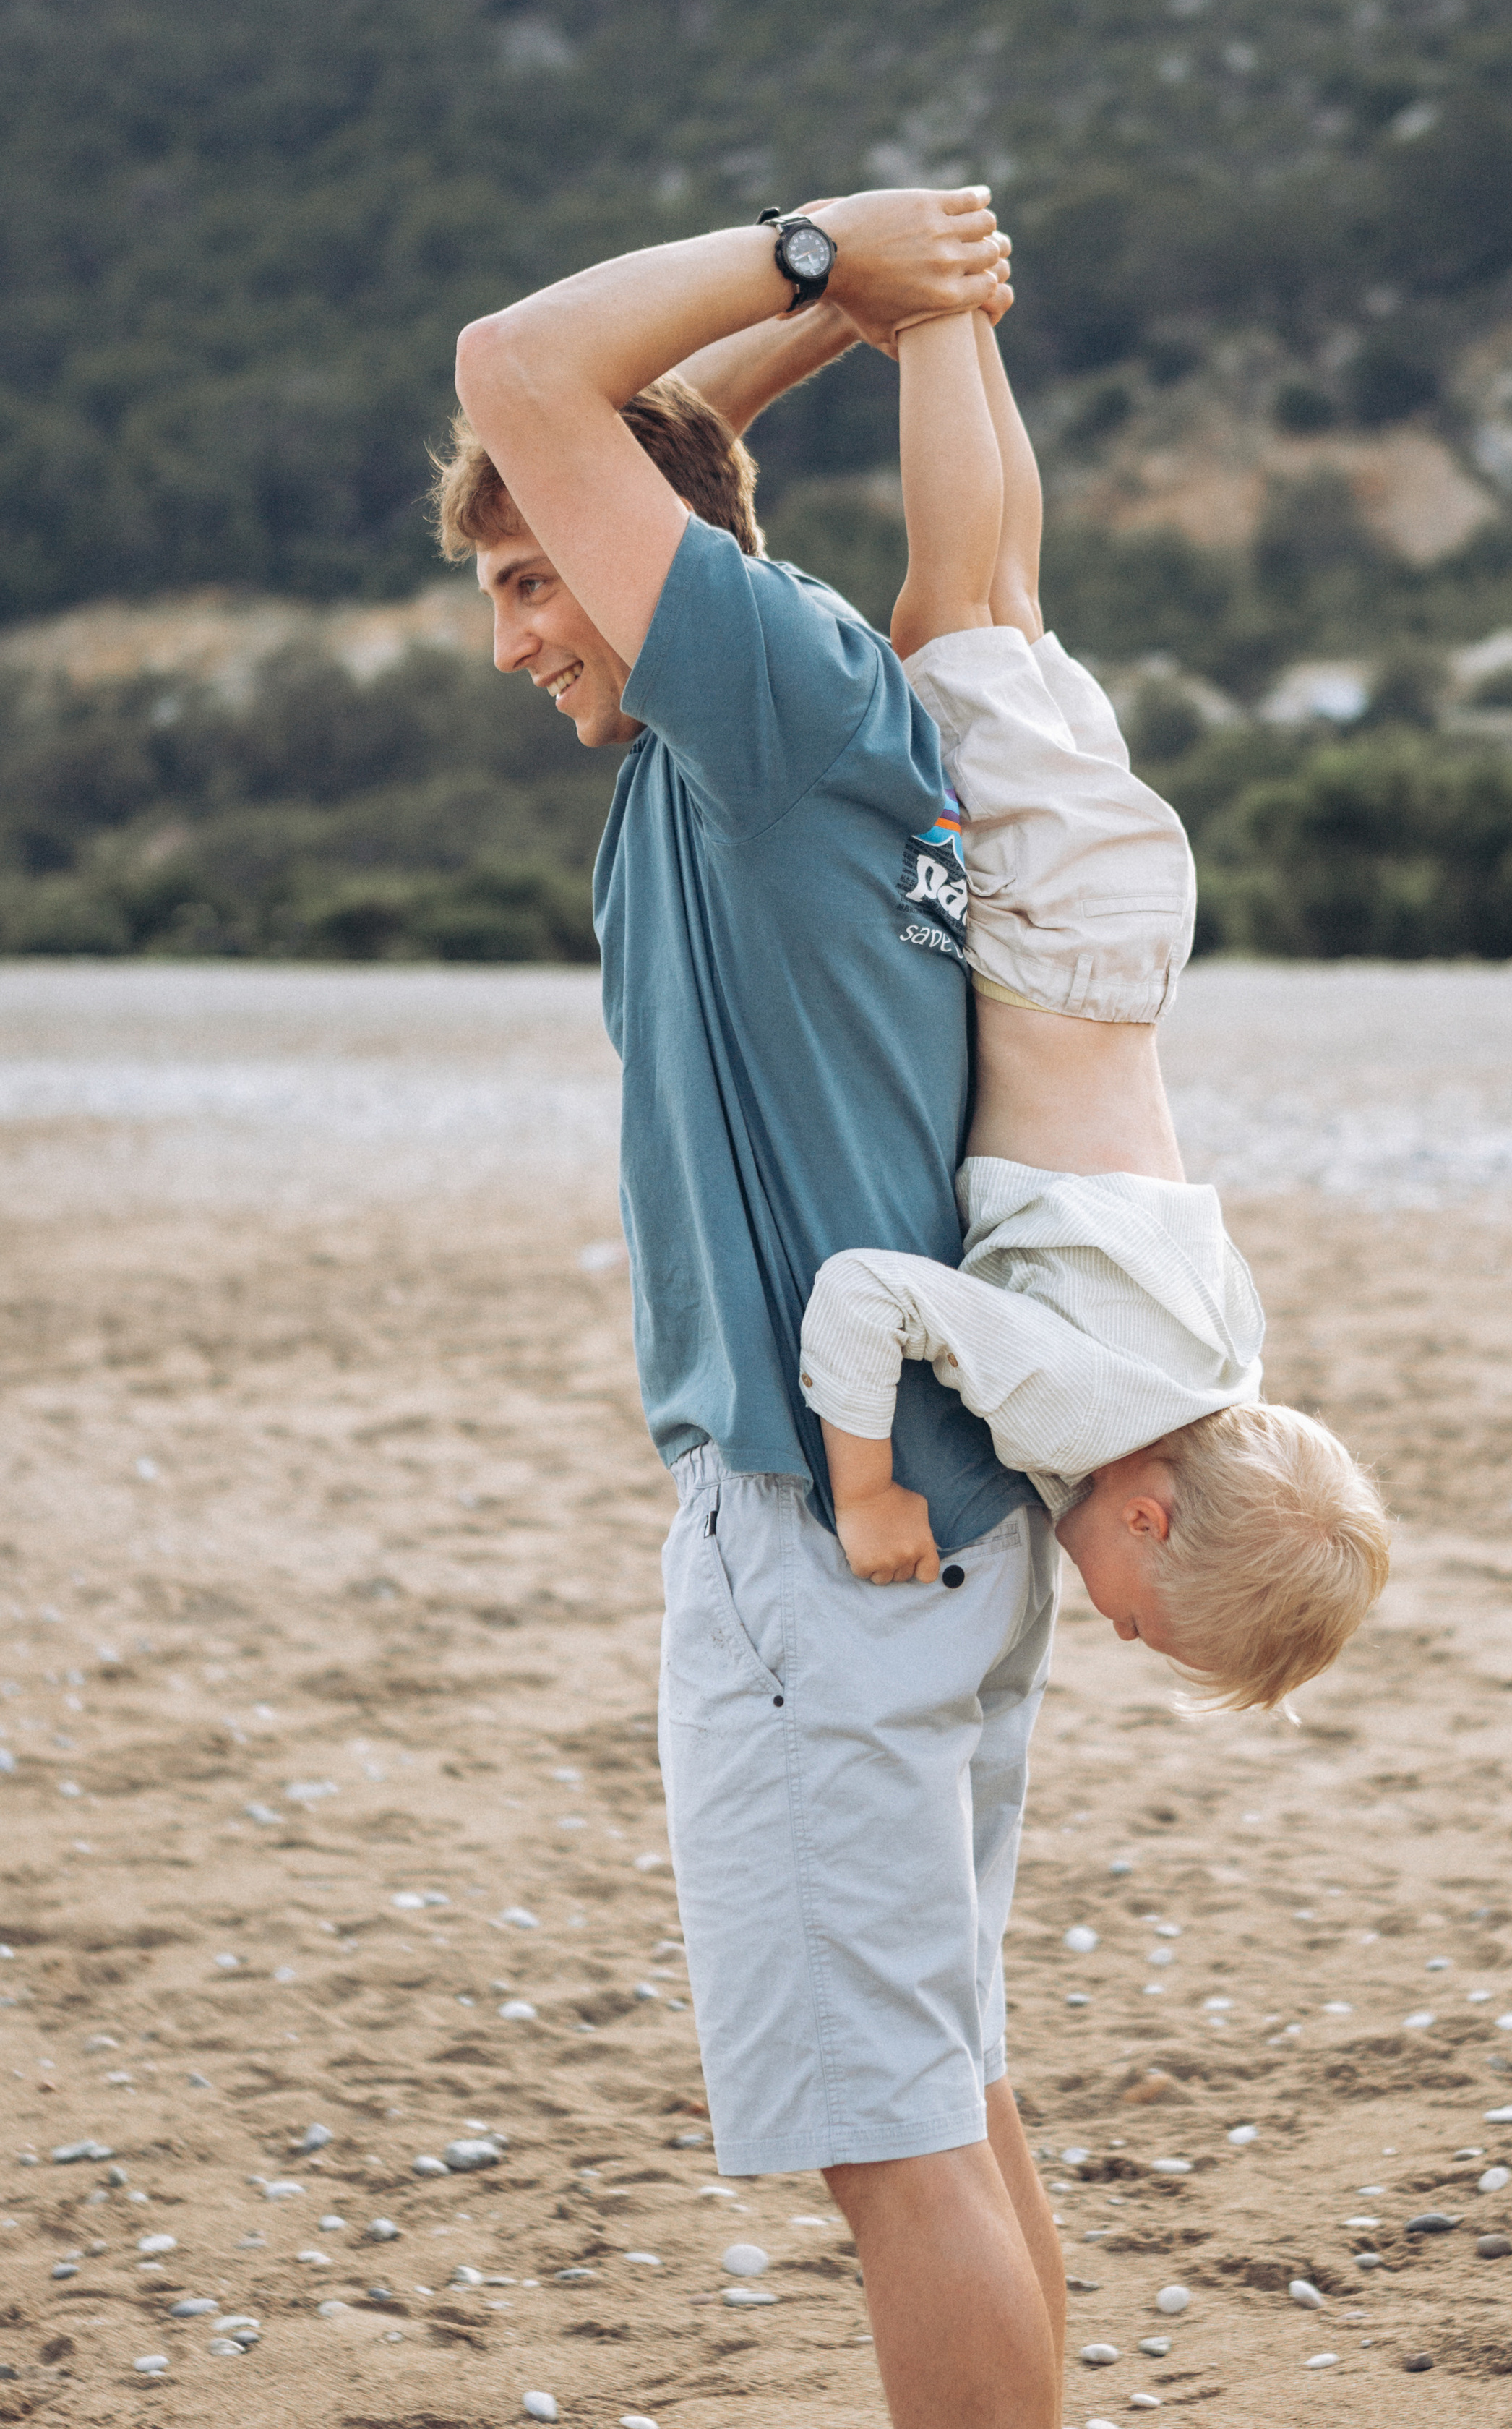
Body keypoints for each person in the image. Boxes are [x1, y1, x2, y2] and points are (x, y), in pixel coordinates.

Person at [440, 191, 1070, 2429]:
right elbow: (642, 421)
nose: (516, 636)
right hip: (934, 1520)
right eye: (497, 585)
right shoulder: (814, 712)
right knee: (945, 2089)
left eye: (538, 576)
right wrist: (863, 327)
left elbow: (520, 359)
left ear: (635, 560)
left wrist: (823, 252)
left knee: (890, 2143)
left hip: (827, 1529)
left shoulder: (768, 699)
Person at [799, 309, 1391, 1706]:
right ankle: (941, 316)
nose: (1115, 1631)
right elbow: (864, 1295)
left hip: (1130, 941)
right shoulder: (1087, 1407)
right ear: (1147, 1517)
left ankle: (976, 324)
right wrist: (868, 1488)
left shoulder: (1218, 1364)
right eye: (1144, 1625)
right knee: (944, 613)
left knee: (1007, 607)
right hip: (1055, 940)